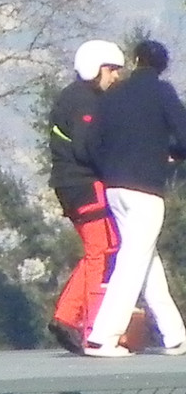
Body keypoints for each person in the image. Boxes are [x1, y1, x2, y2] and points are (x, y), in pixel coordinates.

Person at [84, 39, 186, 357]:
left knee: (145, 261)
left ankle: (175, 335)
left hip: (115, 188)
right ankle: (102, 336)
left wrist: (109, 170)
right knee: (132, 261)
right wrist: (172, 154)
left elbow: (93, 143)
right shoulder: (162, 92)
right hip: (146, 189)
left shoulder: (114, 94)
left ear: (135, 59)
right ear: (162, 66)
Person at [46, 40, 125, 353]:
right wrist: (116, 165)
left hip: (72, 185)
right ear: (95, 68)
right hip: (85, 185)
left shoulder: (74, 96)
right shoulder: (85, 100)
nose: (115, 76)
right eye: (111, 70)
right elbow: (85, 146)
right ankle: (92, 327)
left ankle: (68, 316)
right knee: (101, 252)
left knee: (99, 250)